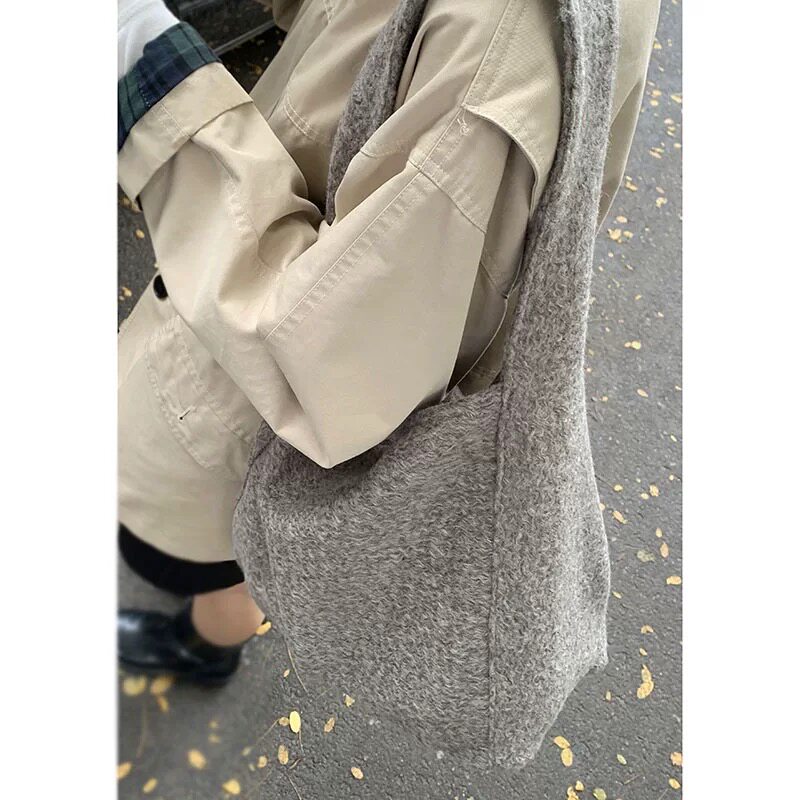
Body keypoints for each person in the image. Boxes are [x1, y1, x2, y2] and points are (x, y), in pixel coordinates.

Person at [117, 0, 659, 683]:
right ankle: (236, 602)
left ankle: (205, 649)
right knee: (237, 546)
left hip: (238, 401)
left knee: (218, 556)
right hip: (265, 365)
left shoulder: (495, 42)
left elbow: (327, 365)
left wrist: (149, 74)